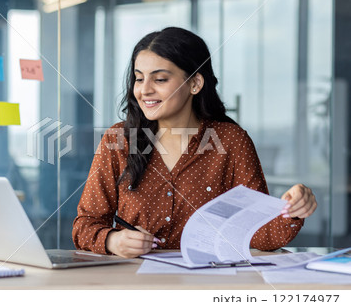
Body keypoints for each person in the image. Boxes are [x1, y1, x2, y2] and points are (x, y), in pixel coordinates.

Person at [72, 27, 317, 258]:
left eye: (159, 80)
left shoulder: (231, 141)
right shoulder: (119, 141)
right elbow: (85, 224)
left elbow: (261, 235)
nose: (144, 90)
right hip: (133, 281)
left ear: (195, 83)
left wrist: (290, 209)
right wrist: (112, 240)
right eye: (139, 79)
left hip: (208, 281)